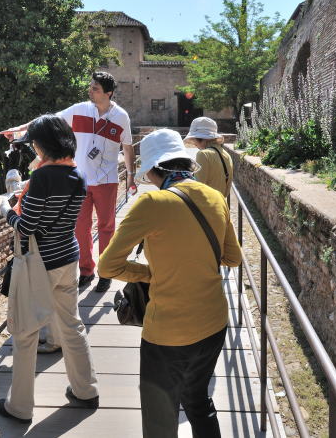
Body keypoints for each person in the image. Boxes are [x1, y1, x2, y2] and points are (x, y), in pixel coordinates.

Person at [98, 129, 242, 438]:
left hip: (168, 331)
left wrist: (151, 273)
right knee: (198, 401)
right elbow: (232, 258)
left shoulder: (152, 202)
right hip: (214, 322)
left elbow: (108, 266)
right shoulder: (214, 196)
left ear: (153, 169)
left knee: (160, 419)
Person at [0, 115, 99, 424]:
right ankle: (86, 388)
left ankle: (21, 406)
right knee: (71, 324)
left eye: (36, 144)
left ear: (44, 145)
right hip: (68, 257)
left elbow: (27, 226)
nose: (34, 150)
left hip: (39, 263)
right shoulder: (77, 175)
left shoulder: (42, 178)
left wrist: (5, 211)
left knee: (26, 333)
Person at [0, 71, 137, 293]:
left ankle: (106, 272)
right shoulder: (80, 109)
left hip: (107, 180)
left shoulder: (121, 116)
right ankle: (86, 271)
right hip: (80, 181)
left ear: (109, 93)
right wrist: (20, 130)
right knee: (81, 228)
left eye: (95, 88)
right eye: (90, 86)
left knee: (106, 228)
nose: (90, 91)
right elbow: (48, 120)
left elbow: (128, 147)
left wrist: (131, 174)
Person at [184, 117, 233, 198]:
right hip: (220, 205)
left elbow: (197, 189)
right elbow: (227, 189)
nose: (194, 143)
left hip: (205, 206)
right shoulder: (226, 155)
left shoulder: (203, 154)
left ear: (201, 139)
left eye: (194, 140)